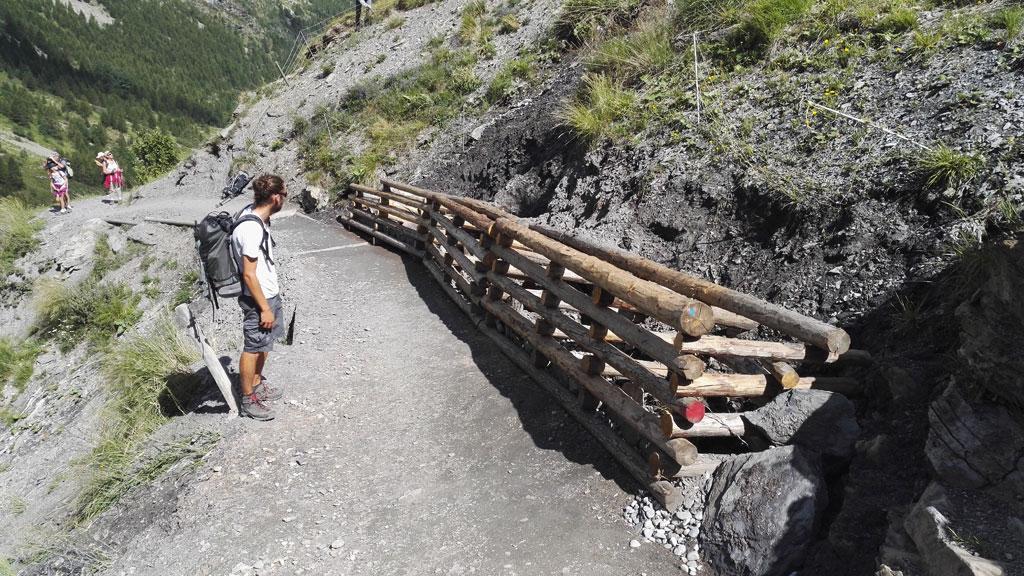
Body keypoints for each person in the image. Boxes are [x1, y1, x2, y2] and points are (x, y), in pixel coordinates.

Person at [231, 174, 288, 420]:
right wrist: (264, 308)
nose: (285, 199)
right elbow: (249, 275)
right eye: (284, 195)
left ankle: (256, 384)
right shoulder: (251, 228)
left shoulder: (257, 218)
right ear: (275, 198)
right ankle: (247, 399)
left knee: (264, 343)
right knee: (253, 347)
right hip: (258, 299)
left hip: (267, 295)